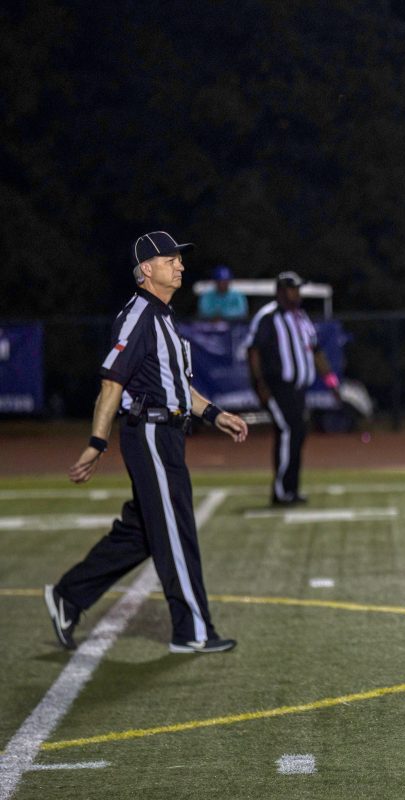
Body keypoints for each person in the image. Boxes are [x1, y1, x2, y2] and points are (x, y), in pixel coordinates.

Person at [45, 231, 249, 654]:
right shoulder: (138, 316)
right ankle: (192, 631)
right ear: (146, 270)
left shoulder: (164, 317)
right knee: (176, 530)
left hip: (167, 433)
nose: (181, 266)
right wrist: (97, 442)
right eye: (171, 260)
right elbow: (111, 382)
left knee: (143, 532)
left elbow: (176, 388)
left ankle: (68, 595)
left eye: (179, 259)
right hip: (152, 434)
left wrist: (214, 414)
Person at [245, 271, 340, 506]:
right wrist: (260, 384)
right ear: (280, 291)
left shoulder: (301, 318)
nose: (297, 293)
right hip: (277, 387)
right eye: (292, 289)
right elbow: (254, 350)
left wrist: (331, 382)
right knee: (289, 430)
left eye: (298, 289)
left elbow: (316, 351)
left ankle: (291, 489)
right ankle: (281, 491)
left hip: (298, 390)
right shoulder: (268, 317)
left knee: (297, 433)